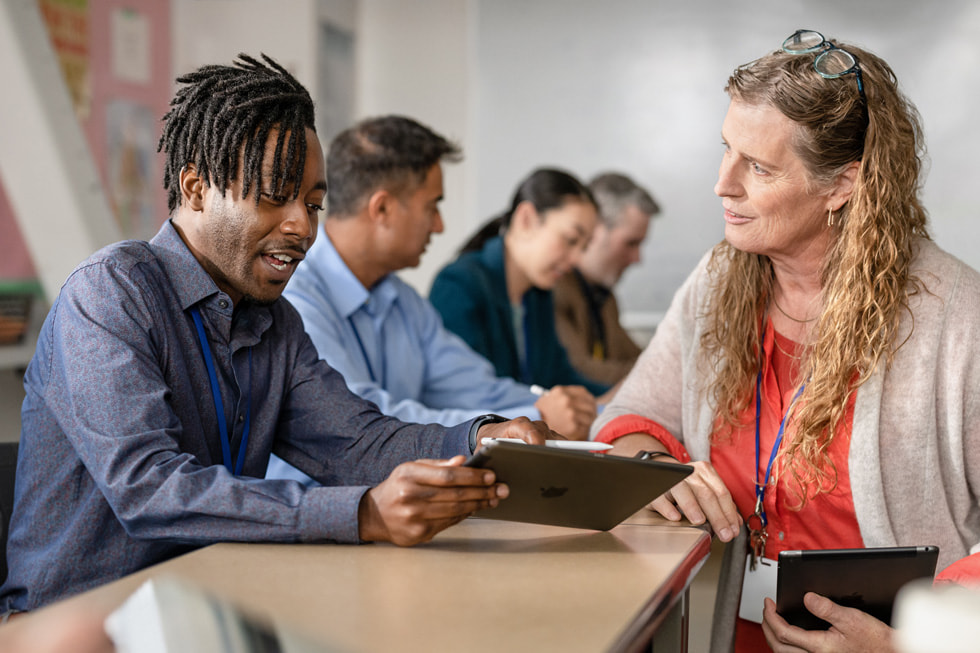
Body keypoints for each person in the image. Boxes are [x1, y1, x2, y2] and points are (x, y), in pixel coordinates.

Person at [0, 54, 553, 615]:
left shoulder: (275, 322)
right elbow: (149, 488)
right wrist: (362, 513)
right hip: (73, 626)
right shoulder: (110, 293)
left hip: (203, 610)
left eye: (313, 204)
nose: (302, 227)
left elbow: (357, 443)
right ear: (194, 187)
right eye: (275, 196)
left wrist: (479, 438)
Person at [589, 30, 980, 653]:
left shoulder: (957, 316)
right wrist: (654, 469)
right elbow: (633, 414)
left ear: (842, 186)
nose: (723, 184)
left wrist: (911, 642)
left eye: (760, 167)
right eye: (726, 151)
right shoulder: (718, 279)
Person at [269, 116, 595, 461]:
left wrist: (542, 412)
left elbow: (473, 387)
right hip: (320, 506)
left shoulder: (405, 302)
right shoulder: (293, 295)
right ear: (382, 208)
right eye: (432, 206)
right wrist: (512, 425)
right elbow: (355, 421)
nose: (439, 226)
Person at [430, 168, 614, 407]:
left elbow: (559, 378)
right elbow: (470, 395)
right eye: (570, 240)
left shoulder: (538, 294)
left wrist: (622, 397)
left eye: (584, 247)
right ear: (526, 219)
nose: (576, 259)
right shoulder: (459, 285)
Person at [552, 172, 659, 386]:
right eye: (630, 243)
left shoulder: (603, 297)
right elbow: (579, 371)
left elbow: (639, 359)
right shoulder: (552, 289)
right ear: (594, 229)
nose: (637, 259)